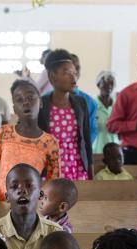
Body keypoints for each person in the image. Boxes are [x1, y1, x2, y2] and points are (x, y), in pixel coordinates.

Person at [0, 79, 60, 212]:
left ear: (40, 102)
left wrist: (45, 202)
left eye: (30, 97)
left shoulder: (49, 142)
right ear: (15, 108)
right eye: (19, 99)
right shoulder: (4, 133)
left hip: (31, 206)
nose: (26, 102)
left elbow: (54, 180)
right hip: (1, 203)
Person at [0, 163, 65, 249]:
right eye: (14, 187)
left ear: (40, 194)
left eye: (29, 185)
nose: (22, 190)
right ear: (7, 197)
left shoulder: (55, 233)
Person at [38, 49, 93, 180]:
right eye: (67, 73)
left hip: (77, 167)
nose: (73, 77)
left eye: (74, 73)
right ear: (52, 76)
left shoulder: (81, 103)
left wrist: (91, 173)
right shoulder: (41, 104)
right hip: (49, 170)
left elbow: (86, 140)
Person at [70, 54, 100, 145]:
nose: (75, 72)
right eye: (70, 69)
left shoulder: (90, 103)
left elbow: (92, 131)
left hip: (79, 154)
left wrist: (80, 148)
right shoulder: (46, 100)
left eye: (77, 68)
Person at [93, 70, 119, 154]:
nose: (108, 87)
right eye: (104, 83)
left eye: (111, 83)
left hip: (115, 150)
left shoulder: (118, 105)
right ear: (98, 85)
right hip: (97, 150)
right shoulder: (93, 105)